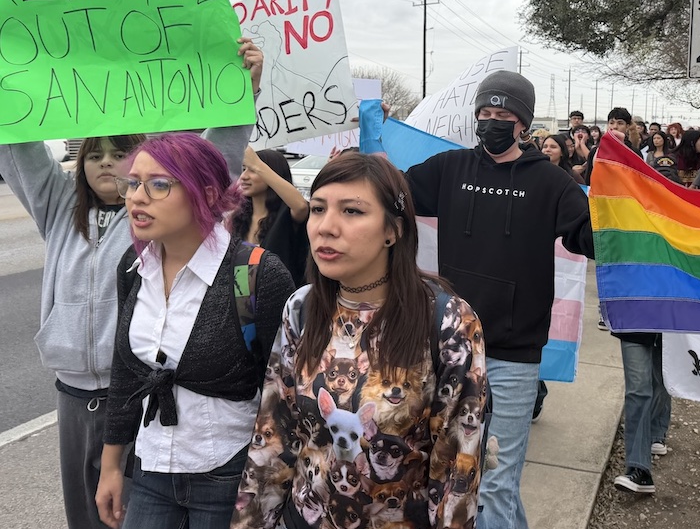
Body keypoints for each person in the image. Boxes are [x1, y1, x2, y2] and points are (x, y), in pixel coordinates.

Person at [0, 38, 262, 529]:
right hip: (73, 396)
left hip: (139, 398)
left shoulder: (155, 218)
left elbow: (217, 159)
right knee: (85, 516)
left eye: (118, 152)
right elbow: (17, 151)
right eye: (92, 152)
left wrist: (240, 94)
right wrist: (8, 87)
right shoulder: (58, 211)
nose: (103, 161)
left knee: (134, 517)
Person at [229, 153, 489, 529]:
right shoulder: (301, 307)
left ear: (393, 230)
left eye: (352, 211)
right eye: (318, 209)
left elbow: (456, 470)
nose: (326, 227)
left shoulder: (449, 321)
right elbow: (275, 434)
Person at [404, 70, 594, 529]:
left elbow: (590, 238)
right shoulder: (449, 169)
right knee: (462, 473)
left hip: (513, 356)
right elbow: (389, 195)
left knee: (494, 483)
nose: (491, 122)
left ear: (522, 123)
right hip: (451, 352)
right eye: (484, 114)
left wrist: (624, 208)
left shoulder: (551, 184)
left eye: (502, 115)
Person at [96, 133, 295, 529]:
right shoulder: (133, 268)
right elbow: (128, 373)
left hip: (231, 472)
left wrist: (276, 485)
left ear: (205, 194)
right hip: (152, 466)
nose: (136, 197)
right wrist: (111, 465)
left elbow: (287, 394)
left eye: (158, 185)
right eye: (133, 183)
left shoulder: (254, 275)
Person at [230, 147, 310, 287]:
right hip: (243, 301)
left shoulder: (287, 215)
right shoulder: (238, 217)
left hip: (280, 299)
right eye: (244, 169)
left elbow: (301, 206)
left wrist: (257, 164)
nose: (244, 176)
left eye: (252, 170)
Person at [611, 331, 672, 495]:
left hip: (671, 317)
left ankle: (656, 430)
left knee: (662, 379)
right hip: (634, 318)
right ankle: (638, 469)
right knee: (637, 390)